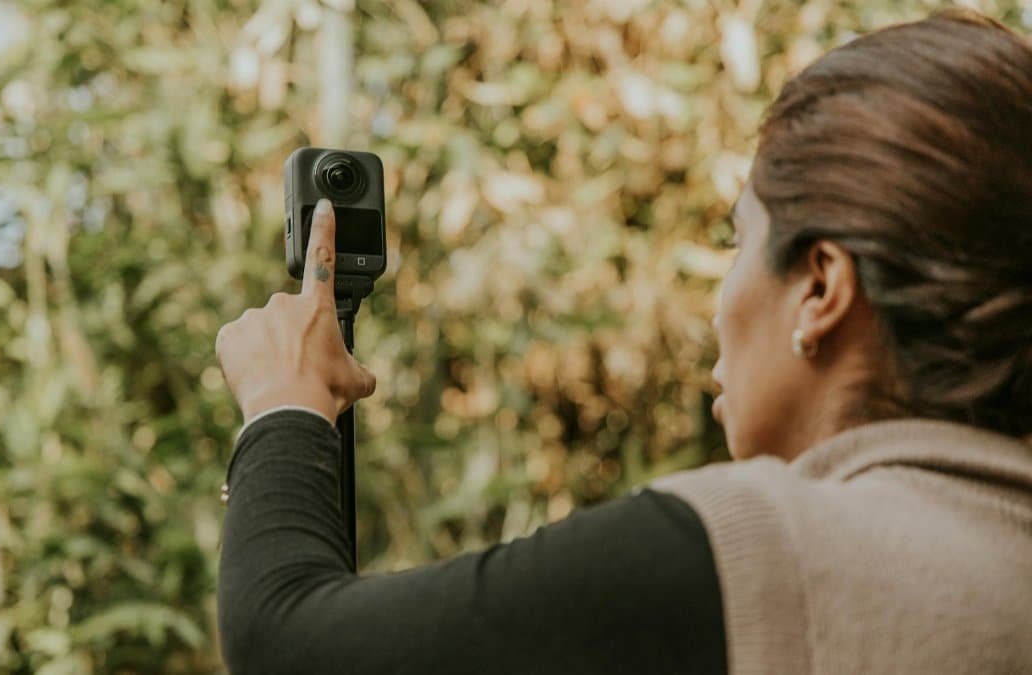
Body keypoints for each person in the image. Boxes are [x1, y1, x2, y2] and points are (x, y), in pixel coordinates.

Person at [211, 8, 1032, 674]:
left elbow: (289, 642)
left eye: (737, 240)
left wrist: (284, 407)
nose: (720, 305)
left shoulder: (757, 549)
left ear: (820, 287)